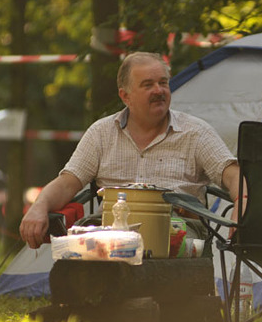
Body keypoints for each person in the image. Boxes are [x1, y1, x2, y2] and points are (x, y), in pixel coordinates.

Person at [20, 52, 242, 249]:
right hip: (111, 230)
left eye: (163, 83)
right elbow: (67, 183)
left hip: (178, 229)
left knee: (146, 242)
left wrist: (241, 202)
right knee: (77, 245)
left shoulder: (196, 132)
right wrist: (39, 206)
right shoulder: (101, 133)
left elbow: (233, 175)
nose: (159, 91)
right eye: (148, 85)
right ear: (125, 96)